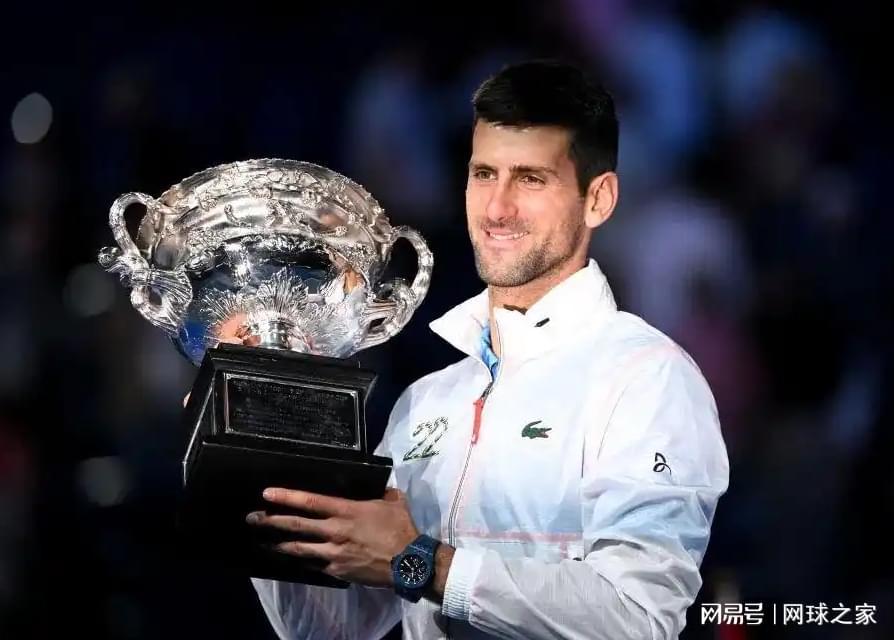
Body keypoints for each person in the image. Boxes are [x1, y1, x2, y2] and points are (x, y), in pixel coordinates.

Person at [245, 59, 729, 639]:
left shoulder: (646, 377)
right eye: (483, 174)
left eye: (531, 179)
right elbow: (330, 631)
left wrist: (423, 564)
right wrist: (262, 447)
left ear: (598, 199)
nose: (497, 208)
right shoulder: (426, 401)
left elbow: (637, 617)